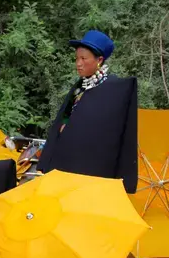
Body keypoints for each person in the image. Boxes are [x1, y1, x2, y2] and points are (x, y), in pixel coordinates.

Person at [37, 30, 138, 193]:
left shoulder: (116, 91)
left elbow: (116, 137)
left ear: (99, 59)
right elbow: (62, 121)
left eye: (84, 58)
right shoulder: (79, 87)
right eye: (76, 58)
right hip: (66, 164)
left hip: (94, 171)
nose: (78, 63)